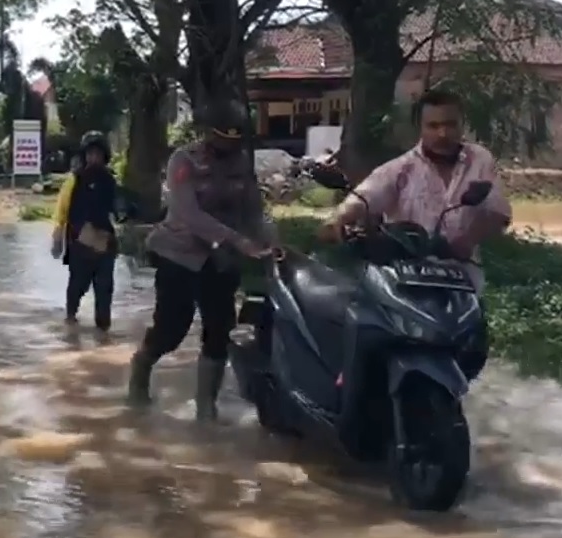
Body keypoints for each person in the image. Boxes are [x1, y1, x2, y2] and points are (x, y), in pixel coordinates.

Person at [127, 98, 277, 421]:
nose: (232, 143)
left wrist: (270, 240)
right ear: (209, 133)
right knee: (171, 329)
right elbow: (188, 213)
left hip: (221, 260)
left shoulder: (241, 164)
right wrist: (238, 239)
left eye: (237, 137)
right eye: (225, 136)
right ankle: (140, 368)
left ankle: (206, 407)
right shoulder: (184, 161)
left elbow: (253, 210)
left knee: (220, 328)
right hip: (179, 254)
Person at [317, 88, 512, 293]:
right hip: (410, 278)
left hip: (463, 278)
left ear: (462, 125)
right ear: (420, 127)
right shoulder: (401, 169)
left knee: (470, 325)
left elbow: (499, 212)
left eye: (450, 125)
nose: (442, 134)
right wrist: (338, 219)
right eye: (433, 126)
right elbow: (365, 196)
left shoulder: (479, 159)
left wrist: (469, 239)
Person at [51, 131, 120, 331]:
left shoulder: (110, 181)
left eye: (98, 154)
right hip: (79, 244)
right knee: (77, 287)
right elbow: (61, 211)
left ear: (104, 156)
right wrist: (57, 238)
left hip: (105, 243)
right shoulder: (74, 180)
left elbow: (116, 210)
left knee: (104, 289)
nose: (93, 158)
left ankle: (103, 331)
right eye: (90, 154)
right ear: (84, 156)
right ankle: (70, 318)